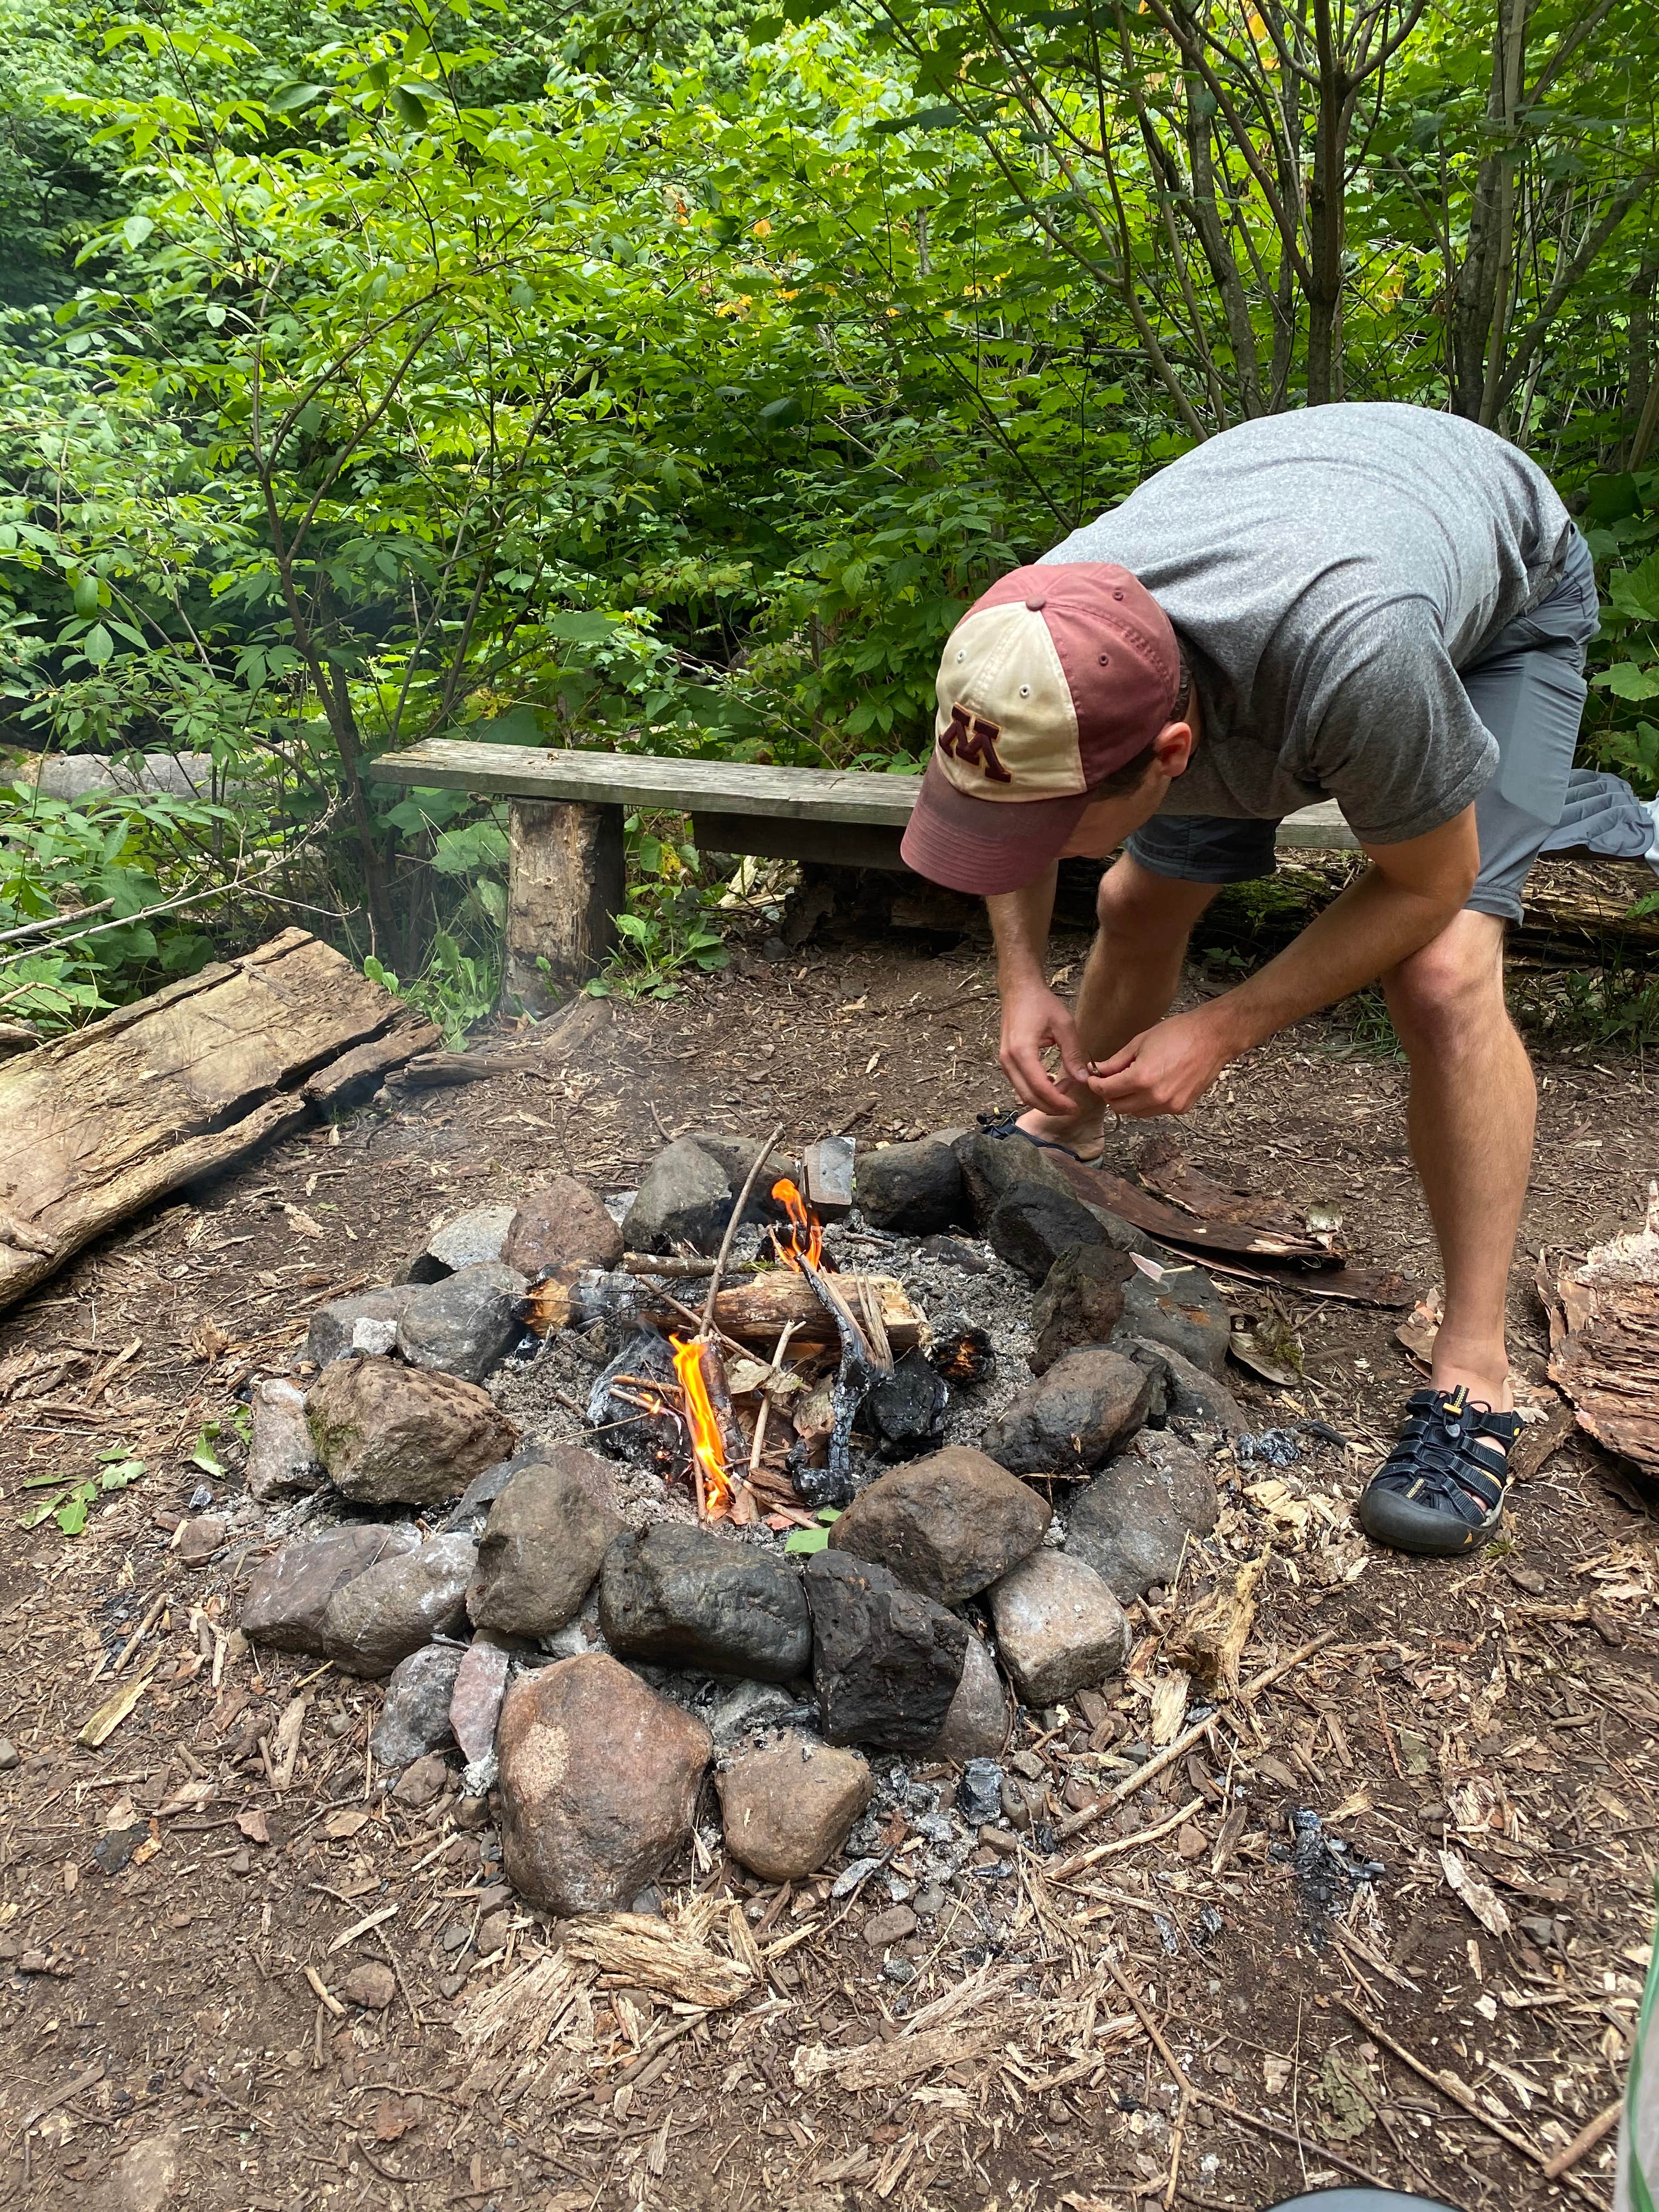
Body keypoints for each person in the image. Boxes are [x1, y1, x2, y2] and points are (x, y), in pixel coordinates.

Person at [899, 402, 1600, 1561]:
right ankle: (1058, 1132)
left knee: (1441, 974)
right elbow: (1008, 803)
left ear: (1173, 759)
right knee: (1132, 897)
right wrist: (1024, 980)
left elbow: (1427, 884)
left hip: (1495, 600)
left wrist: (1220, 1030)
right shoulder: (1036, 634)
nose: (1031, 846)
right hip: (1290, 583)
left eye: (1063, 816)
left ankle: (1476, 1371)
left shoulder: (1354, 659)